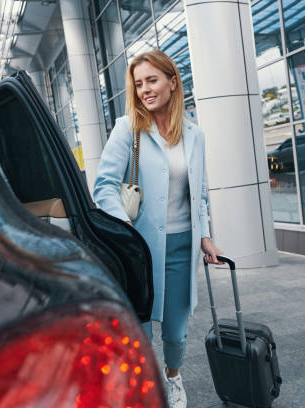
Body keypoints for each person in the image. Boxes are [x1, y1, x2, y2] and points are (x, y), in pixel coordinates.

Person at [93, 49, 224, 408]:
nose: (145, 90)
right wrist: (125, 231)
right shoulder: (128, 130)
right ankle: (145, 383)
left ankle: (173, 378)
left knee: (176, 328)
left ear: (172, 81)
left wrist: (205, 236)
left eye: (152, 80)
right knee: (140, 326)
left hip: (182, 245)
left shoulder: (194, 136)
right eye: (138, 84)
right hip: (140, 247)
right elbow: (104, 186)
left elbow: (198, 194)